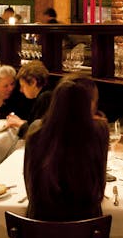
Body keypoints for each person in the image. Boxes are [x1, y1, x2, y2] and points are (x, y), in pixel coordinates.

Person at [23, 75, 107, 221]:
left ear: (55, 101)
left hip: (39, 235)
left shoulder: (36, 130)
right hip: (88, 233)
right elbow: (99, 190)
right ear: (88, 104)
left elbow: (30, 190)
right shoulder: (99, 130)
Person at [8, 60, 53, 137]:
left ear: (33, 82)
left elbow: (38, 133)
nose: (21, 90)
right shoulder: (46, 94)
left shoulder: (45, 98)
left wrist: (19, 123)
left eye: (23, 86)